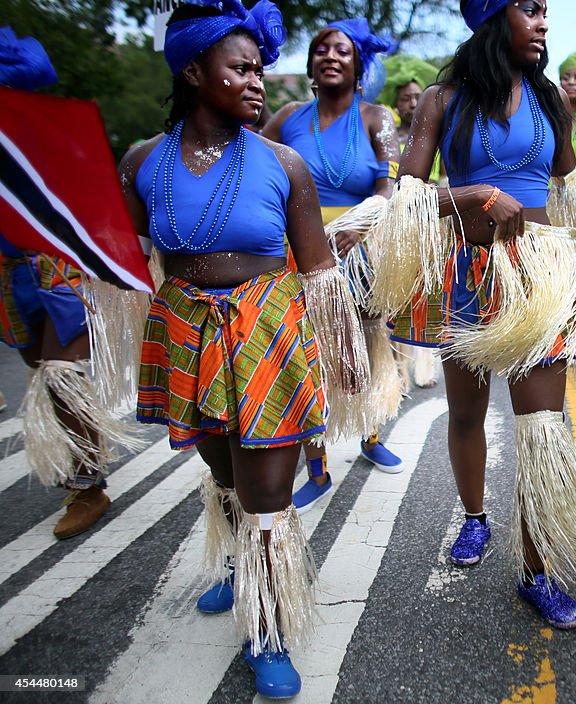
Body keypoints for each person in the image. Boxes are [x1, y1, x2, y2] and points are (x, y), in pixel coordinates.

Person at [118, 1, 366, 697]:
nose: (259, 80)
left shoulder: (285, 164)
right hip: (187, 332)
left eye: (261, 68)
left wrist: (344, 356)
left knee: (265, 494)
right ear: (195, 72)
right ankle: (240, 567)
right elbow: (124, 257)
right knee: (223, 474)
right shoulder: (143, 163)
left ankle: (267, 627)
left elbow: (318, 274)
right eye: (242, 68)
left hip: (269, 333)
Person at [388, 0, 576, 629]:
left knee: (542, 428)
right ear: (494, 16)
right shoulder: (443, 100)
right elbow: (407, 191)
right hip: (465, 272)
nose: (544, 22)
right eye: (530, 9)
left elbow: (566, 181)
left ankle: (538, 570)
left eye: (546, 11)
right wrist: (472, 193)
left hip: (537, 274)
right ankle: (474, 517)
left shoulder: (548, 96)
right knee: (468, 412)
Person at [262, 18, 404, 513]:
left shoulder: (376, 116)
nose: (329, 56)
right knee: (306, 352)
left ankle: (369, 434)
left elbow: (392, 184)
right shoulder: (285, 118)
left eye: (341, 50)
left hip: (360, 246)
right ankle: (316, 467)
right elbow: (255, 169)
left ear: (358, 64)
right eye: (320, 49)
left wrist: (360, 225)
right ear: (309, 65)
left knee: (362, 345)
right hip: (297, 249)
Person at [0, 27, 135, 540]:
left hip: (63, 273)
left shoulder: (52, 141)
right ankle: (86, 460)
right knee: (43, 377)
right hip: (11, 278)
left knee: (60, 373)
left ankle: (87, 487)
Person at [376, 53, 444, 388]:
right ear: (396, 102)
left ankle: (426, 365)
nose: (412, 102)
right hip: (395, 221)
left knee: (428, 288)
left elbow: (444, 179)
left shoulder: (434, 133)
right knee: (398, 295)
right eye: (405, 98)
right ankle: (399, 370)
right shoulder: (390, 136)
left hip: (430, 219)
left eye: (417, 97)